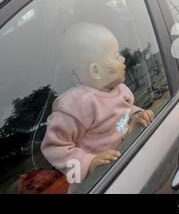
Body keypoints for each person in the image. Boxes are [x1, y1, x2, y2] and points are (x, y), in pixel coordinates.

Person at [41, 22, 155, 193]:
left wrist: (138, 114)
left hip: (124, 162)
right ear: (95, 71)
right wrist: (89, 163)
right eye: (116, 56)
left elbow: (125, 110)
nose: (123, 58)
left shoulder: (119, 88)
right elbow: (54, 147)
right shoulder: (75, 106)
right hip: (97, 180)